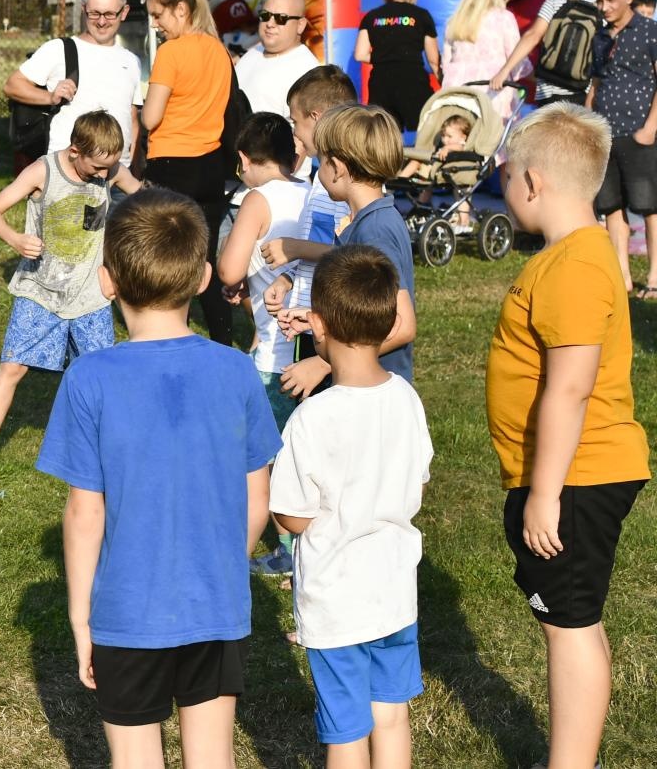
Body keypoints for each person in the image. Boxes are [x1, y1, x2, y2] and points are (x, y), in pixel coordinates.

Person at [36, 188, 280, 769]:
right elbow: (258, 499)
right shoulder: (237, 372)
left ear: (107, 280)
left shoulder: (88, 379)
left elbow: (84, 512)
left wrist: (79, 615)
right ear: (201, 277)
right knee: (212, 756)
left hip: (124, 611)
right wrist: (225, 563)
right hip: (215, 603)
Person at [486, 105, 649, 769]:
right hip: (577, 472)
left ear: (532, 183)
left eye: (506, 176)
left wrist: (544, 492)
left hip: (575, 477)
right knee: (575, 618)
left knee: (570, 624)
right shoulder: (583, 253)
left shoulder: (574, 267)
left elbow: (570, 387)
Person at [271, 245, 433, 768]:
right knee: (389, 715)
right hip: (394, 592)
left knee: (346, 729)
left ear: (317, 324)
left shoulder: (311, 420)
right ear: (390, 318)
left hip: (337, 600)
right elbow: (419, 478)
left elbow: (292, 516)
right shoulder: (406, 398)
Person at [0, 111, 125, 495]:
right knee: (11, 368)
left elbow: (142, 192)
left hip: (90, 294)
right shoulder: (42, 171)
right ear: (76, 150)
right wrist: (15, 240)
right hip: (41, 290)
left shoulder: (109, 170)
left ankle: (112, 458)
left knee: (105, 376)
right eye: (97, 166)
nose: (103, 175)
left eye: (109, 167)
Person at [216, 112, 309, 577]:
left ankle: (289, 551)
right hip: (311, 348)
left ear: (243, 160)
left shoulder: (257, 198)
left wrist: (234, 276)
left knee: (262, 458)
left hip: (275, 351)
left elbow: (230, 271)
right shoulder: (312, 191)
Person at [277, 106, 417, 401]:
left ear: (337, 168)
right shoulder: (366, 221)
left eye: (321, 161)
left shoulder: (375, 231)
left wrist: (324, 361)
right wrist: (320, 319)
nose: (319, 168)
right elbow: (366, 308)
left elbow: (402, 326)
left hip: (372, 394)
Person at [141, 0, 235, 346]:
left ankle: (162, 333)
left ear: (181, 10)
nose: (155, 24)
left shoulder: (171, 53)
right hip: (210, 165)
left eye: (158, 15)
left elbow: (151, 117)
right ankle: (222, 338)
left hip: (171, 165)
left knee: (164, 258)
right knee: (204, 261)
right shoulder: (218, 50)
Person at [259, 67, 359, 357]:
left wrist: (294, 247)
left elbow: (354, 255)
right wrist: (288, 278)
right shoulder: (323, 176)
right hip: (309, 318)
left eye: (295, 121)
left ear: (316, 118)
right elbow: (321, 243)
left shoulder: (348, 182)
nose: (294, 132)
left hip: (336, 325)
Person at [6, 0, 144, 166]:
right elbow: (12, 85)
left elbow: (132, 118)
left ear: (124, 12)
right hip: (68, 171)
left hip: (118, 176)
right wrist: (50, 97)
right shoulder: (58, 49)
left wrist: (134, 172)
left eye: (110, 14)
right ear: (83, 10)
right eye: (94, 13)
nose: (102, 21)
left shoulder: (132, 60)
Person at [587, 0, 657, 297]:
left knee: (650, 205)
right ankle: (623, 276)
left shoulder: (649, 32)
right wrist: (587, 122)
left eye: (611, 0)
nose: (605, 7)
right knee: (611, 205)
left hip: (638, 130)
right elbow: (596, 82)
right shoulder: (601, 36)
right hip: (604, 131)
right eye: (600, 1)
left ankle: (655, 277)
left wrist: (650, 128)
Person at [492, 0, 619, 107]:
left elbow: (532, 35)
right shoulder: (609, 11)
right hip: (584, 92)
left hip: (548, 88)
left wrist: (505, 70)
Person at [355, 0, 441, 132]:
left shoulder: (372, 16)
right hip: (412, 81)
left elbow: (360, 54)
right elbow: (433, 60)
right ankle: (418, 158)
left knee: (384, 135)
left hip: (381, 83)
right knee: (427, 129)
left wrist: (385, 56)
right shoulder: (421, 15)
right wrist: (443, 82)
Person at [443, 0, 523, 125]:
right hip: (493, 89)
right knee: (494, 141)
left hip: (458, 89)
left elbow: (446, 62)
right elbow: (517, 58)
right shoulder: (503, 17)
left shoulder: (455, 20)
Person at [234, 0, 320, 117]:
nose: (270, 23)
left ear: (300, 25)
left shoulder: (308, 72)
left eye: (281, 18)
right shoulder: (253, 52)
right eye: (265, 16)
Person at [399, 113, 475, 228]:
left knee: (462, 193)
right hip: (436, 171)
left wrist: (447, 148)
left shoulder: (461, 145)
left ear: (463, 137)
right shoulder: (444, 145)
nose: (445, 139)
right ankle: (419, 206)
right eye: (443, 136)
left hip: (454, 172)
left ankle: (463, 221)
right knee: (417, 163)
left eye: (449, 136)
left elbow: (460, 148)